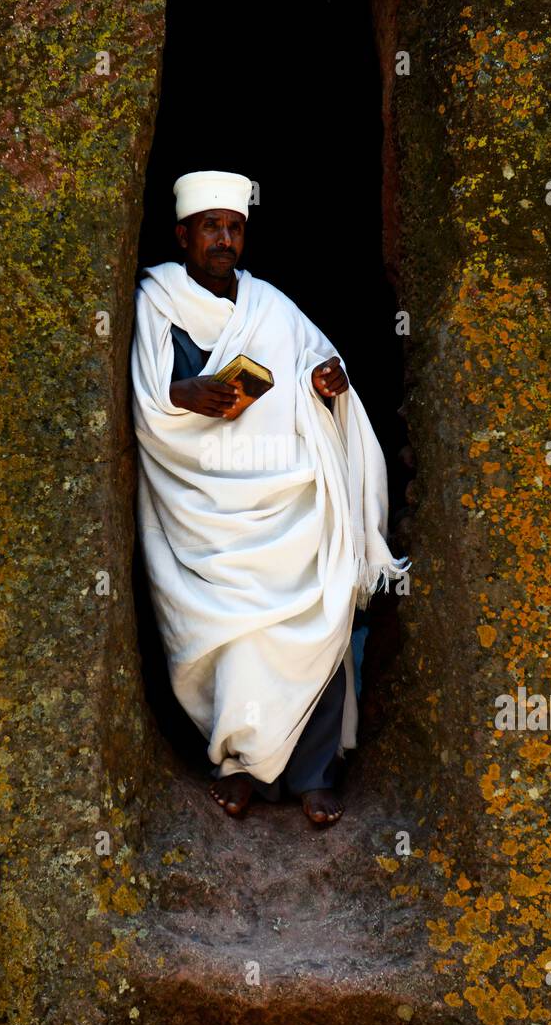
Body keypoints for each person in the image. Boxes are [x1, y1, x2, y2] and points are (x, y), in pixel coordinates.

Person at [131, 170, 410, 827]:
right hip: (204, 508)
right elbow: (147, 400)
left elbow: (323, 378)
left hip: (286, 494)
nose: (224, 239)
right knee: (235, 633)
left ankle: (315, 774)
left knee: (318, 608)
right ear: (183, 235)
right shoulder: (155, 301)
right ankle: (240, 766)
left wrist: (326, 386)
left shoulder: (272, 308)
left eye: (233, 227)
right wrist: (184, 395)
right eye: (210, 227)